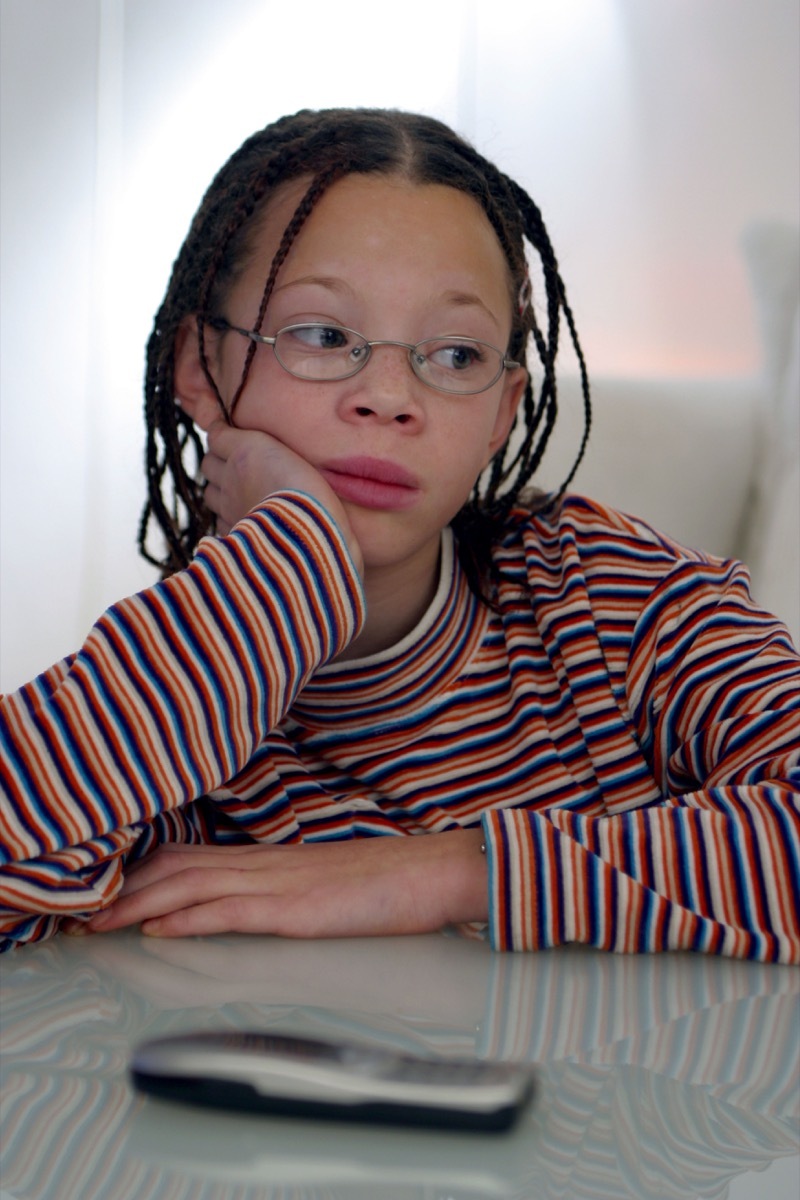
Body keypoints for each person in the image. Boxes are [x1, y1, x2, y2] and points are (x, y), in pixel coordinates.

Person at [1, 108, 798, 960]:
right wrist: (288, 568)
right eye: (323, 335)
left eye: (455, 355)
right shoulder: (177, 692)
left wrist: (441, 873)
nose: (389, 396)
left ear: (501, 412)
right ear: (198, 366)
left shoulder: (612, 600)